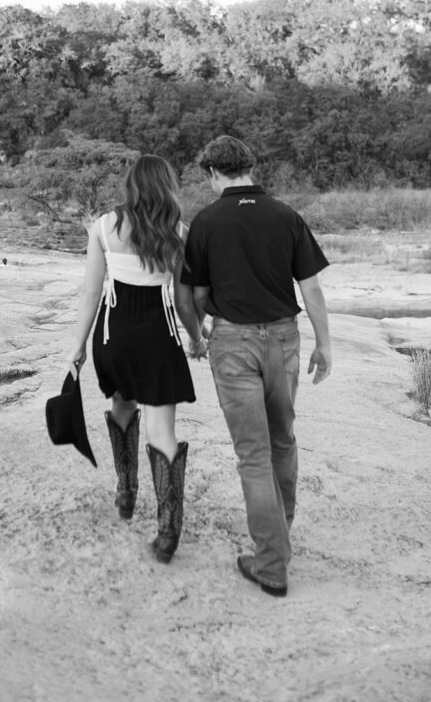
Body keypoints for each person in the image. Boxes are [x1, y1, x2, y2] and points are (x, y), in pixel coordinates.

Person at [177, 135, 332, 597]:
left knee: (253, 453)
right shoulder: (286, 215)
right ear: (251, 165)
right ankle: (278, 540)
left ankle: (270, 563)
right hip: (284, 338)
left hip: (232, 342)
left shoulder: (205, 221)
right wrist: (324, 344)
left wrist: (196, 335)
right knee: (283, 439)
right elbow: (312, 289)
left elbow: (194, 296)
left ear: (211, 173)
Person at [64, 154, 207, 563]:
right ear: (167, 188)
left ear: (130, 185)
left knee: (121, 405)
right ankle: (167, 531)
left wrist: (77, 346)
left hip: (114, 338)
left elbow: (91, 293)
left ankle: (126, 490)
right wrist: (197, 338)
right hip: (159, 341)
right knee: (162, 432)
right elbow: (183, 300)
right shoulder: (179, 232)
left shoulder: (104, 228)